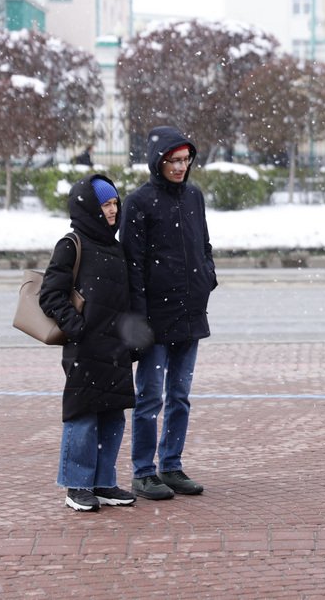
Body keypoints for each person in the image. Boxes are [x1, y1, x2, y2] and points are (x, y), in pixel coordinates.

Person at [39, 174, 147, 511]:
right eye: (106, 203)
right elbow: (51, 295)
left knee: (113, 417)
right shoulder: (71, 244)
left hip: (114, 349)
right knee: (83, 416)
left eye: (115, 202)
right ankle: (77, 486)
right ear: (89, 207)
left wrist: (132, 340)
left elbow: (125, 299)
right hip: (84, 348)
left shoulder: (115, 247)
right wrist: (78, 329)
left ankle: (103, 483)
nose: (113, 209)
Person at [121, 126, 217, 500]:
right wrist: (140, 321)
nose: (180, 167)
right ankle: (143, 472)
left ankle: (171, 465)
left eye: (185, 160)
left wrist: (207, 278)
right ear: (157, 161)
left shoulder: (194, 196)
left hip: (191, 315)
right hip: (154, 321)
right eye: (173, 161)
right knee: (149, 399)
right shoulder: (139, 202)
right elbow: (133, 266)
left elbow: (204, 246)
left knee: (180, 396)